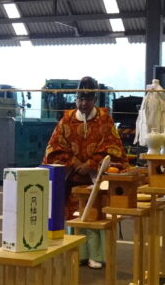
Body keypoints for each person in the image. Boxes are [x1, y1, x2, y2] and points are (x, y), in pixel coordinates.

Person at [43, 76, 126, 269]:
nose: (82, 104)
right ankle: (78, 253)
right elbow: (54, 148)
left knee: (96, 216)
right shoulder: (66, 120)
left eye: (87, 99)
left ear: (94, 99)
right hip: (72, 178)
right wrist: (74, 162)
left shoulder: (104, 119)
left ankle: (97, 255)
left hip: (96, 178)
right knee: (74, 216)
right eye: (80, 99)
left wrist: (92, 163)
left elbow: (113, 147)